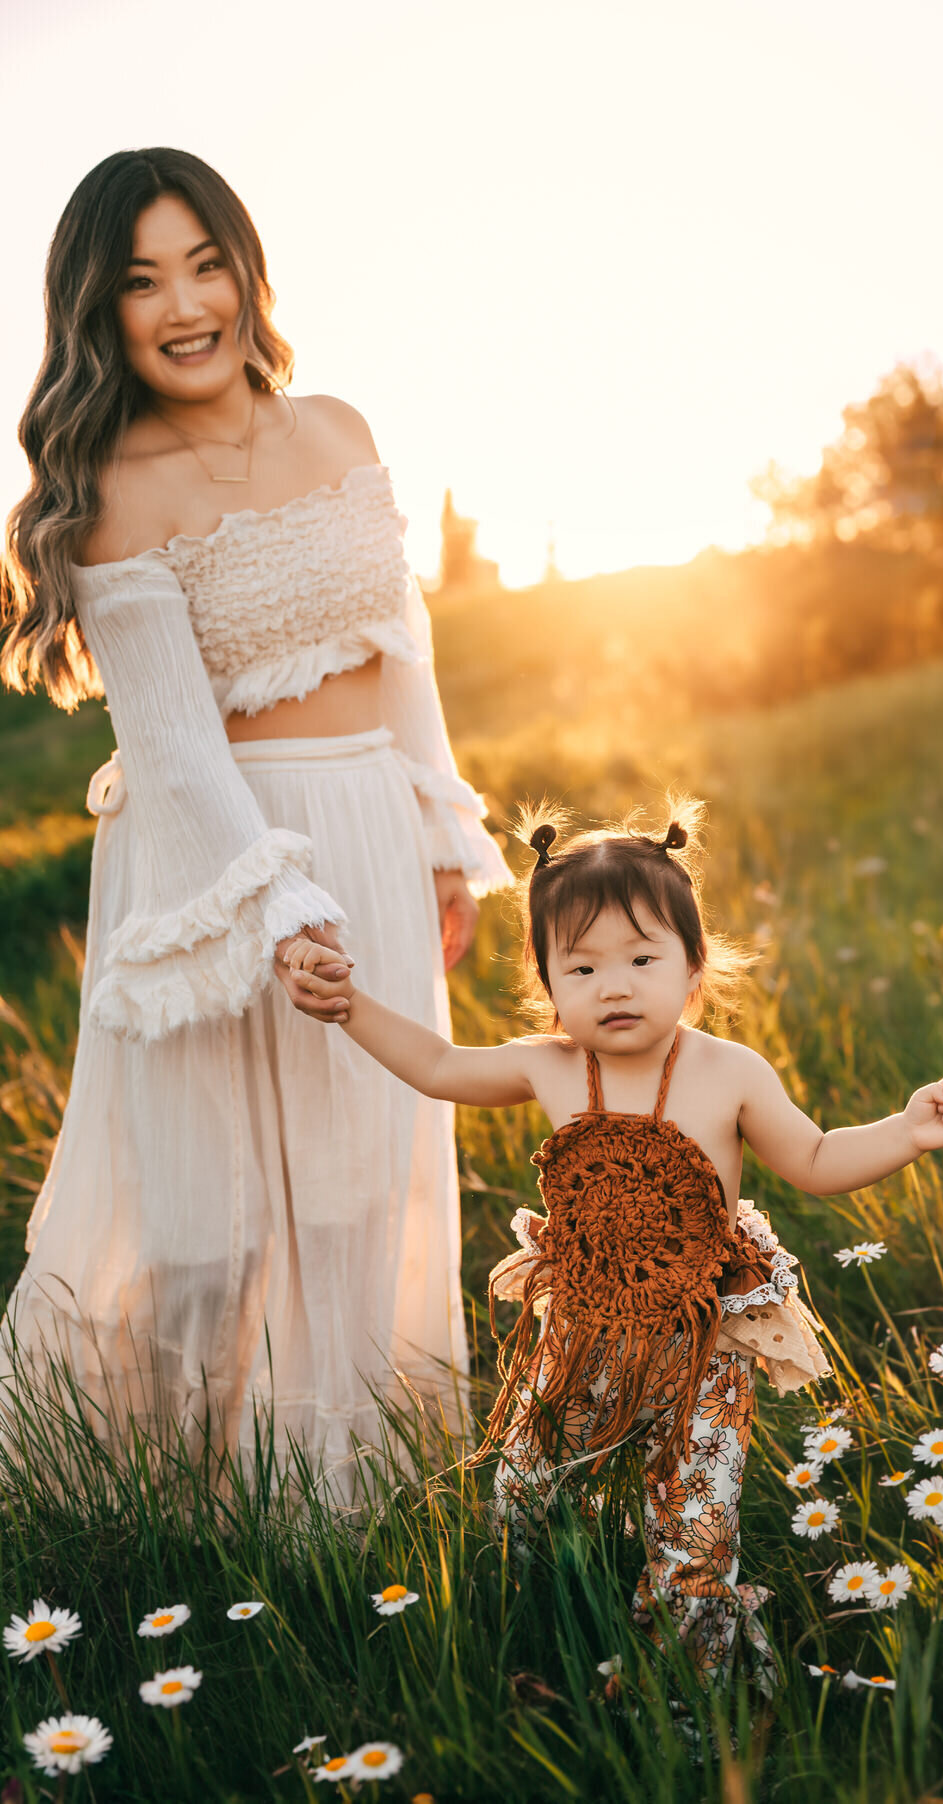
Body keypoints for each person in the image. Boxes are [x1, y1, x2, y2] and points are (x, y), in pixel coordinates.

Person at [0, 147, 511, 1504]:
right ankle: (156, 1511)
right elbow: (170, 747)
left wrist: (444, 834)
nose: (184, 306)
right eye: (141, 282)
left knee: (362, 1185)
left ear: (246, 270)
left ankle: (349, 1508)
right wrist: (278, 908)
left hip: (369, 835)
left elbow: (405, 647)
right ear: (98, 314)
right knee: (202, 1224)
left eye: (205, 264)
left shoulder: (336, 430)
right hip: (211, 871)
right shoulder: (113, 482)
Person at [279, 796, 943, 1680]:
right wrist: (351, 1007)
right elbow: (437, 1066)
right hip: (580, 1334)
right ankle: (526, 1632)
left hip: (700, 1346)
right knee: (527, 1493)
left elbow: (812, 1156)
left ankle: (690, 1688)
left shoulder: (730, 1073)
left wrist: (906, 1130)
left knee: (695, 1528)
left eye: (643, 959)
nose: (614, 986)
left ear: (693, 969)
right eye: (580, 968)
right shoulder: (548, 1063)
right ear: (547, 983)